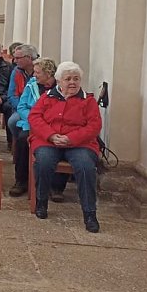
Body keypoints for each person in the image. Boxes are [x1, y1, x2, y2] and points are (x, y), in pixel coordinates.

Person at [28, 62, 102, 233]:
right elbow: (35, 118)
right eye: (68, 79)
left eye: (76, 79)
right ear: (59, 81)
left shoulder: (88, 100)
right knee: (44, 161)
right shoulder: (47, 97)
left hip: (80, 144)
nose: (72, 82)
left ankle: (90, 213)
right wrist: (51, 135)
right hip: (49, 140)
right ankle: (41, 202)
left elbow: (94, 126)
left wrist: (70, 138)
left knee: (85, 167)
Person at [8, 57, 67, 199]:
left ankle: (56, 187)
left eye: (37, 72)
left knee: (61, 143)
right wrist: (35, 120)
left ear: (48, 74)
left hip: (55, 127)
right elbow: (21, 107)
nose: (34, 75)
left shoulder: (61, 89)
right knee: (23, 140)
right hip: (32, 124)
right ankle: (21, 181)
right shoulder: (31, 84)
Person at [6, 44, 39, 139]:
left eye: (17, 58)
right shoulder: (16, 71)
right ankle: (19, 143)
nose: (14, 61)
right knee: (12, 121)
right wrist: (22, 109)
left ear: (28, 57)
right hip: (21, 107)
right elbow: (12, 95)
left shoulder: (42, 71)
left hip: (39, 108)